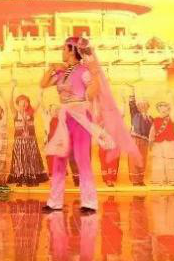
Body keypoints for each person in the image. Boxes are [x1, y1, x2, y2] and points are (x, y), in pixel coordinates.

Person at [40, 36, 138, 212]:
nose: (62, 52)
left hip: (80, 116)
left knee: (82, 159)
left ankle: (89, 202)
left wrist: (94, 75)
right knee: (59, 159)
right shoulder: (61, 73)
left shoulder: (84, 71)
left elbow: (92, 93)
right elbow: (43, 84)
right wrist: (52, 67)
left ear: (72, 51)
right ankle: (54, 202)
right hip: (64, 117)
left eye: (64, 49)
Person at [5, 82, 47, 186]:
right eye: (21, 102)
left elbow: (38, 102)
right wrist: (12, 88)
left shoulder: (31, 113)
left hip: (31, 141)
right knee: (19, 160)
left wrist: (41, 91)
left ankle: (32, 179)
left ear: (28, 103)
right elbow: (10, 102)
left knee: (31, 160)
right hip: (19, 141)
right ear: (18, 103)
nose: (24, 104)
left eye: (26, 102)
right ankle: (20, 179)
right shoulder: (15, 113)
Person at [147, 98, 174, 186]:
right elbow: (152, 132)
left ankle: (172, 180)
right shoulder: (156, 119)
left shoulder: (172, 118)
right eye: (161, 108)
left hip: (170, 142)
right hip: (158, 143)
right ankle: (160, 180)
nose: (163, 110)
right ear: (158, 110)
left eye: (165, 108)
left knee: (170, 161)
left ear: (168, 109)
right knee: (159, 162)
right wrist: (150, 142)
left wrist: (171, 100)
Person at [127, 88, 152, 186]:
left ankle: (140, 179)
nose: (143, 107)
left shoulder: (150, 118)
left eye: (145, 105)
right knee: (134, 159)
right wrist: (132, 92)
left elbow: (153, 131)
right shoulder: (135, 114)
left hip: (145, 141)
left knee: (142, 160)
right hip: (135, 139)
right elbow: (132, 105)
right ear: (138, 107)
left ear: (148, 107)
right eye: (141, 105)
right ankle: (135, 180)